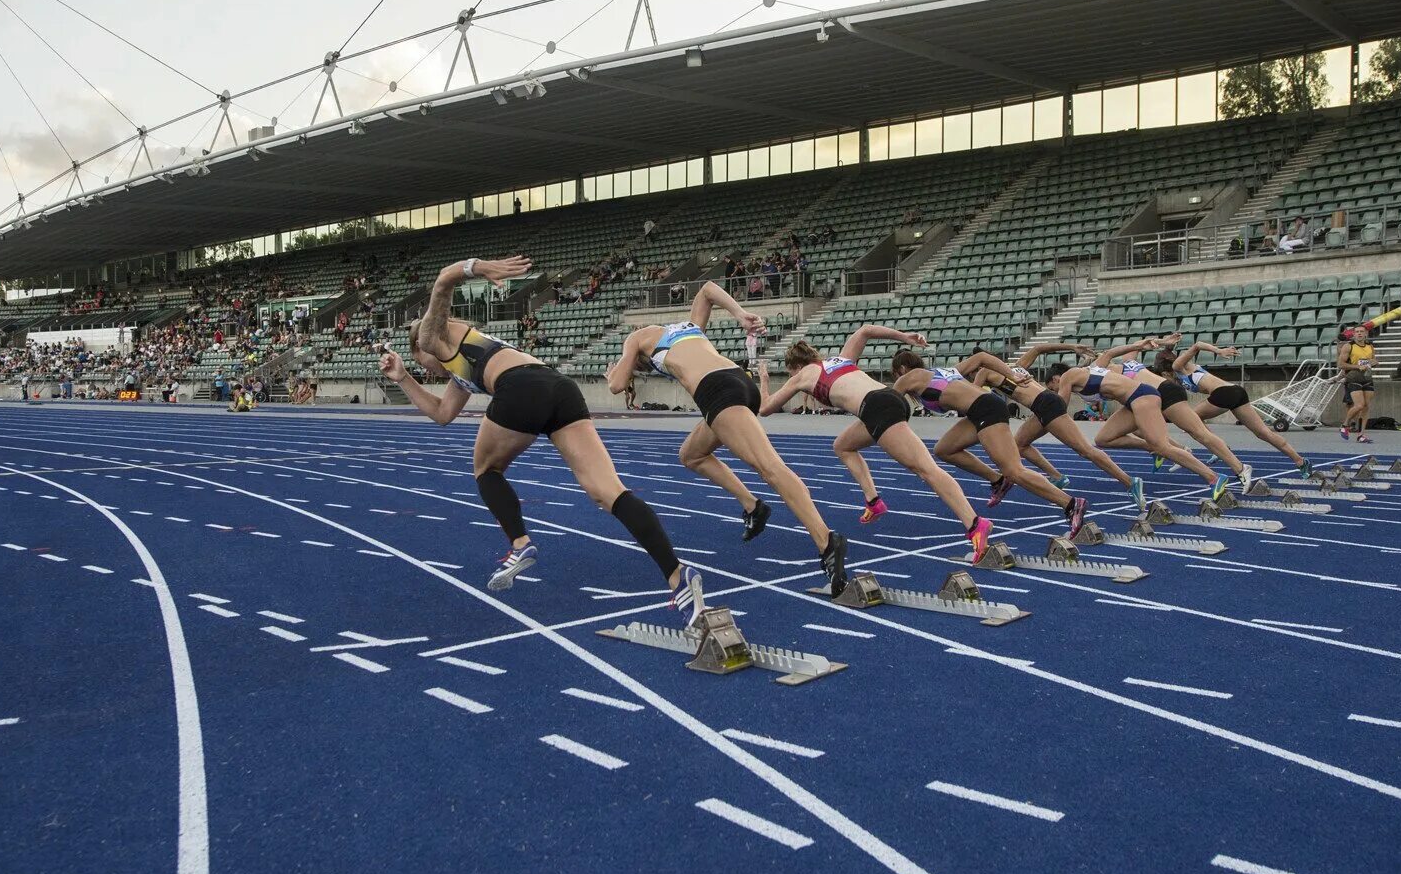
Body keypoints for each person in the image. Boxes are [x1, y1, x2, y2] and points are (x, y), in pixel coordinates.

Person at [386, 254, 703, 621]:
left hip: (520, 387)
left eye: (417, 366)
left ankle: (520, 544)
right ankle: (677, 575)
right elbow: (443, 414)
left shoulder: (430, 339)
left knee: (485, 469)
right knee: (608, 492)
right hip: (558, 388)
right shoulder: (466, 364)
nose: (423, 371)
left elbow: (443, 278)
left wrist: (477, 268)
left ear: (419, 348)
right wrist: (404, 380)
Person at [606, 282, 849, 593]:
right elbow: (707, 289)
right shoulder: (688, 327)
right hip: (736, 380)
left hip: (717, 391)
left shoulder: (638, 337)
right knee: (691, 455)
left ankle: (827, 541)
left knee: (771, 468)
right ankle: (752, 506)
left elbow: (616, 385)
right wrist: (741, 314)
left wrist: (614, 372)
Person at [758, 326, 994, 563]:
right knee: (843, 446)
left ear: (795, 367)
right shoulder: (840, 359)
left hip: (877, 408)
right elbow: (864, 331)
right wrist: (905, 337)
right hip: (889, 399)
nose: (792, 378)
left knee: (927, 470)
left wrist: (765, 381)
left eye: (790, 373)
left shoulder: (801, 375)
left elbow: (765, 409)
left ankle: (975, 524)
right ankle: (873, 500)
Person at [888, 349, 1087, 536]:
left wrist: (1012, 376)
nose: (898, 379)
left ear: (902, 370)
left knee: (1014, 470)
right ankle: (998, 480)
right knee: (944, 449)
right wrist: (1011, 374)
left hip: (986, 410)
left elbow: (886, 405)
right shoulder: (940, 371)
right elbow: (981, 357)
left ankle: (1070, 504)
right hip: (981, 409)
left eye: (896, 374)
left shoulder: (909, 378)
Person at [955, 344, 1148, 510]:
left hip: (1046, 406)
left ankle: (1130, 482)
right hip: (1044, 404)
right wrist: (1071, 347)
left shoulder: (983, 371)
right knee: (1020, 443)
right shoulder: (1014, 366)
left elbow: (974, 397)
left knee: (1085, 450)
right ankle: (1056, 477)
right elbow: (1039, 348)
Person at [1045, 344, 1231, 500]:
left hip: (1143, 397)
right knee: (1104, 439)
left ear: (1055, 378)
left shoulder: (1069, 376)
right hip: (1132, 402)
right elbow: (1109, 354)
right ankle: (1150, 446)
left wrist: (1139, 346)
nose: (1053, 391)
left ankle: (1214, 477)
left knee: (1163, 447)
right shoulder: (1088, 371)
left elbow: (1059, 407)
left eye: (1051, 388)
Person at [1163, 341, 1315, 479]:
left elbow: (1197, 345)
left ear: (1166, 371)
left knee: (1190, 421)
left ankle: (1219, 448)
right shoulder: (1184, 374)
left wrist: (1219, 351)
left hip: (1224, 393)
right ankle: (1301, 461)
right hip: (1236, 392)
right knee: (1263, 433)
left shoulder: (1178, 366)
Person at [1337, 322, 1376, 443]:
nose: (1359, 333)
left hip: (1367, 377)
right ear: (1353, 334)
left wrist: (1374, 362)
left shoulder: (1370, 346)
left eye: (1361, 332)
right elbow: (1340, 364)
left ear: (1366, 334)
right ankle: (1345, 425)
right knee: (1359, 405)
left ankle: (1361, 435)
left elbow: (1372, 360)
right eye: (1357, 332)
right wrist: (1357, 367)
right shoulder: (1348, 346)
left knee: (1365, 407)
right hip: (1353, 377)